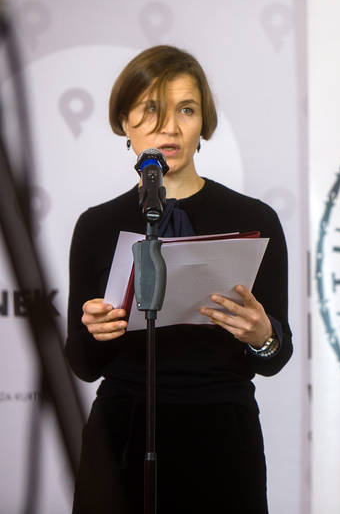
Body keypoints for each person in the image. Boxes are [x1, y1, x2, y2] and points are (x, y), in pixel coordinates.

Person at [65, 45, 292, 514]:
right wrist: (96, 331)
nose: (169, 127)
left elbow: (275, 358)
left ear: (203, 123)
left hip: (222, 437)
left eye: (186, 110)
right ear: (124, 122)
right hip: (122, 435)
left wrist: (263, 335)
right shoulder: (96, 225)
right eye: (151, 109)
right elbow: (82, 365)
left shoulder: (255, 219)